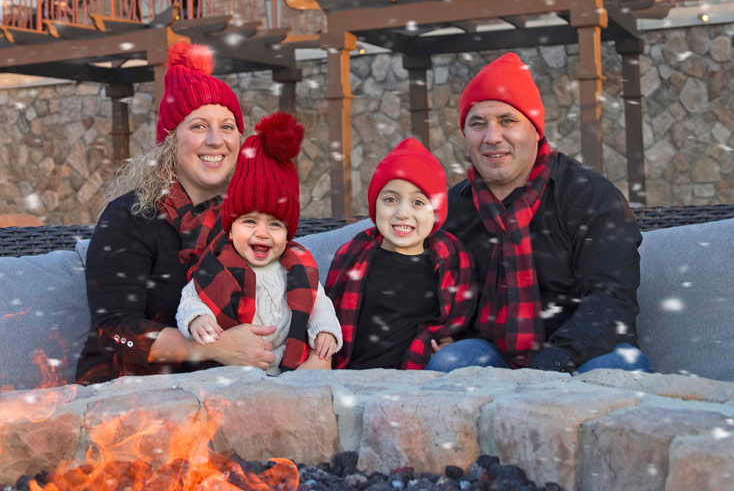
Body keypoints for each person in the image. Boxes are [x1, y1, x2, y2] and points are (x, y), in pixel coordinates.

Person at [426, 52, 653, 374]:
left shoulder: (589, 196)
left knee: (621, 368)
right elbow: (424, 290)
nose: (492, 137)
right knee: (451, 361)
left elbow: (611, 301)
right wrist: (436, 334)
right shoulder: (452, 210)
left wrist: (543, 373)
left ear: (535, 129)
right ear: (465, 134)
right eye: (478, 123)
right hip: (491, 354)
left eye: (507, 121)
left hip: (587, 351)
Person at [76, 42, 277, 385]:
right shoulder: (129, 218)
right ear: (171, 140)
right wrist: (211, 348)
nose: (216, 140)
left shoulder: (250, 222)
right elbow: (114, 333)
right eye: (198, 126)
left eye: (227, 126)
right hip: (126, 396)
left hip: (227, 395)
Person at [176, 112, 343, 375]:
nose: (262, 233)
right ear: (230, 230)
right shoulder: (219, 266)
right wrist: (197, 318)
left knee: (316, 373)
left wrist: (325, 331)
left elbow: (318, 302)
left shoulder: (298, 268)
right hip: (236, 367)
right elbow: (191, 298)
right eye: (250, 222)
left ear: (288, 236)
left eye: (275, 224)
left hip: (290, 366)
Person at [325, 138, 476, 370]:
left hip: (414, 380)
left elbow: (462, 320)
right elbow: (326, 313)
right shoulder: (352, 256)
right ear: (375, 206)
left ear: (435, 213)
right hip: (353, 376)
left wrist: (453, 341)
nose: (402, 213)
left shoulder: (451, 262)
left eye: (417, 202)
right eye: (390, 199)